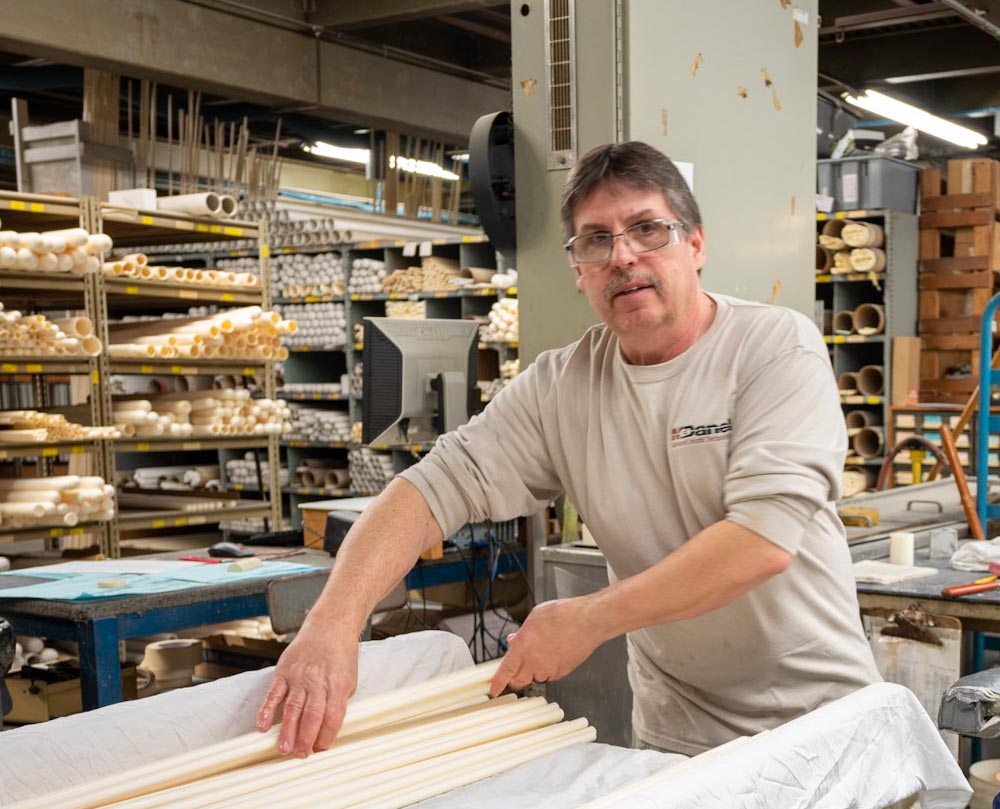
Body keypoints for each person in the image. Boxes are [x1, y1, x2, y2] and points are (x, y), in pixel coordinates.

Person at [258, 140, 880, 759]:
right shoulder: (562, 385)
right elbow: (428, 489)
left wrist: (588, 619)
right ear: (579, 271)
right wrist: (331, 625)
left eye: (647, 229)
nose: (623, 256)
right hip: (678, 735)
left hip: (817, 724)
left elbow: (761, 541)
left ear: (695, 245)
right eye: (595, 240)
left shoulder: (773, 347)